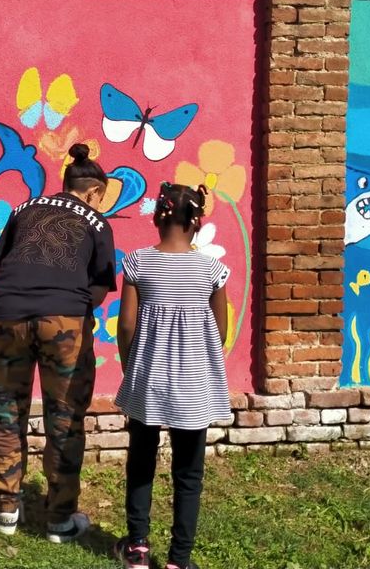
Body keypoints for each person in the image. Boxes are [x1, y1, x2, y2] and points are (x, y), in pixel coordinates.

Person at [0, 143, 117, 542]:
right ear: (94, 191)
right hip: (64, 320)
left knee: (6, 412)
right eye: (102, 197)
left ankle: (7, 509)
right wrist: (73, 313)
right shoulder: (96, 221)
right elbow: (99, 286)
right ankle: (59, 519)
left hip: (5, 314)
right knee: (65, 417)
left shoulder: (23, 209)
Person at [113, 182, 231, 569]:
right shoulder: (211, 269)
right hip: (193, 385)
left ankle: (137, 549)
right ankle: (179, 560)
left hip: (147, 380)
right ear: (197, 222)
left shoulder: (138, 263)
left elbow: (126, 326)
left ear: (157, 218)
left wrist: (130, 366)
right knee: (189, 473)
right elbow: (220, 330)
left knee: (140, 462)